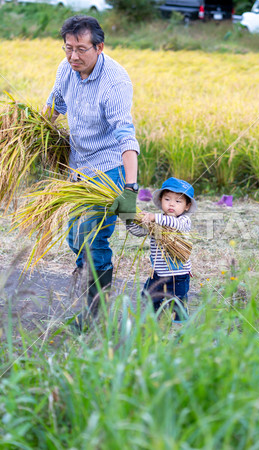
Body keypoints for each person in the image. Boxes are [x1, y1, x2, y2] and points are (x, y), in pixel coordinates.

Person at [43, 15, 140, 329]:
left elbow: (127, 137)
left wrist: (130, 190)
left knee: (93, 240)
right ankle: (90, 277)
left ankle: (93, 315)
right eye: (68, 48)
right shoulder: (66, 69)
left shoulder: (115, 81)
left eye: (81, 49)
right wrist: (36, 136)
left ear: (99, 47)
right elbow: (55, 106)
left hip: (108, 169)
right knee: (75, 238)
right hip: (78, 168)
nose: (73, 56)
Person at [127, 177, 197, 322]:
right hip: (158, 274)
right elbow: (139, 232)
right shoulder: (156, 221)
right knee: (148, 299)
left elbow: (173, 223)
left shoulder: (183, 221)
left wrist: (153, 217)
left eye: (178, 201)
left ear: (187, 206)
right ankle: (154, 324)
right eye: (167, 199)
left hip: (178, 276)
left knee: (177, 305)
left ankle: (180, 329)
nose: (172, 204)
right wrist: (129, 218)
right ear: (160, 200)